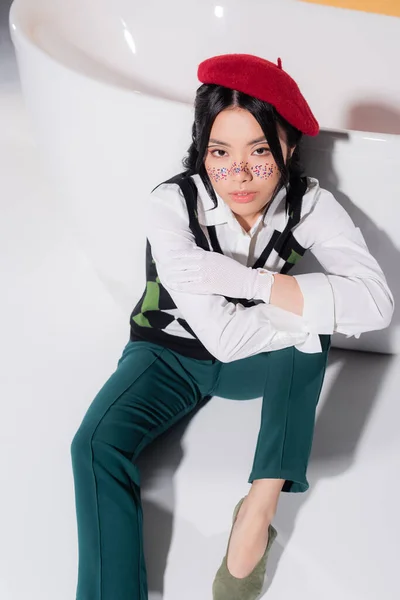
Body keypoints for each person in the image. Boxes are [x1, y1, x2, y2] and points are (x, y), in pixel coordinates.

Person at [70, 53, 394, 600]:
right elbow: (219, 335)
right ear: (203, 149)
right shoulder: (172, 203)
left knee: (308, 328)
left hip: (249, 362)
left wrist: (258, 285)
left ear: (288, 148)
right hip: (164, 352)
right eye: (220, 153)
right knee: (94, 446)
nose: (238, 174)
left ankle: (259, 506)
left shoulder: (309, 205)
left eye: (260, 151)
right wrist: (302, 302)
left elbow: (379, 304)